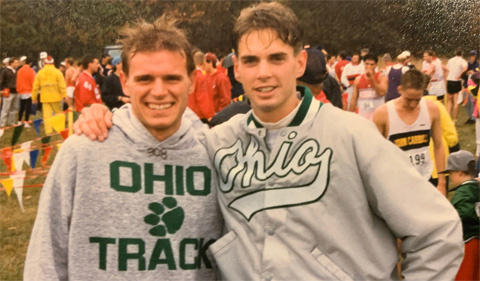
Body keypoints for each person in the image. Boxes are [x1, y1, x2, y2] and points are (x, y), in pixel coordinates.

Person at [75, 3, 464, 280]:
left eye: (276, 58)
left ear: (298, 63)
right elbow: (161, 143)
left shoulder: (352, 134)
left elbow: (438, 231)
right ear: (237, 69)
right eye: (251, 61)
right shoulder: (217, 142)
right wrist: (109, 117)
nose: (264, 73)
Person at [24, 16, 223, 281]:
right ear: (124, 80)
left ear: (192, 80)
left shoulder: (218, 154)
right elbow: (46, 257)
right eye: (145, 79)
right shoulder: (84, 150)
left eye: (172, 78)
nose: (159, 91)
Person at [373, 69, 447, 195]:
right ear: (399, 90)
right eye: (408, 99)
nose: (413, 104)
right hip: (395, 184)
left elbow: (439, 146)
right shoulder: (383, 113)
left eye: (417, 99)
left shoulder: (431, 109)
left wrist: (441, 182)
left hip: (425, 180)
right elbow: (375, 154)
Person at [440, 150, 479, 281]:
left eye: (451, 174)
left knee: (464, 276)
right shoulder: (477, 187)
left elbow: (464, 214)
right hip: (477, 239)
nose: (451, 178)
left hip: (467, 241)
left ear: (459, 172)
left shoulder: (462, 192)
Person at [31, 56, 67, 134]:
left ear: (44, 63)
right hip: (56, 97)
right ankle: (60, 129)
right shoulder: (57, 72)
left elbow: (35, 86)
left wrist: (34, 97)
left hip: (45, 98)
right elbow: (62, 85)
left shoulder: (40, 72)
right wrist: (64, 95)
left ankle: (48, 131)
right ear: (53, 63)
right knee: (58, 114)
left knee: (47, 115)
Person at [349, 54, 387, 120]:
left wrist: (372, 79)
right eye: (367, 64)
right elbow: (353, 100)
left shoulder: (382, 77)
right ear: (364, 64)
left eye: (372, 64)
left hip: (378, 118)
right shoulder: (358, 79)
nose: (369, 66)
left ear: (376, 65)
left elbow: (381, 92)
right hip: (363, 117)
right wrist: (350, 116)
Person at [187, 51, 215, 122]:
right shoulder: (201, 77)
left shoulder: (188, 76)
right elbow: (203, 98)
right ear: (204, 63)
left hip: (189, 114)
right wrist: (209, 116)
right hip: (200, 117)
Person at [446, 49, 468, 122]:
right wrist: (460, 75)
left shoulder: (450, 60)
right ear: (461, 53)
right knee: (456, 102)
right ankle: (455, 120)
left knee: (449, 101)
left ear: (455, 53)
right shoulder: (462, 61)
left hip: (449, 81)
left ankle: (448, 119)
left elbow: (447, 69)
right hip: (456, 81)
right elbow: (465, 68)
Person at [16, 56, 35, 127]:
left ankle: (19, 120)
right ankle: (26, 121)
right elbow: (33, 81)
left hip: (21, 91)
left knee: (22, 107)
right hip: (29, 91)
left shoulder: (19, 70)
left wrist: (18, 89)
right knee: (28, 107)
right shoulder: (31, 70)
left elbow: (18, 81)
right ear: (30, 63)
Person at [0, 57, 19, 127]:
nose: (17, 64)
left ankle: (11, 122)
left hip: (16, 92)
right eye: (16, 63)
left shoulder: (16, 71)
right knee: (5, 108)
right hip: (8, 91)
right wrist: (1, 90)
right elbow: (1, 81)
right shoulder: (5, 71)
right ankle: (2, 124)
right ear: (12, 63)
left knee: (14, 108)